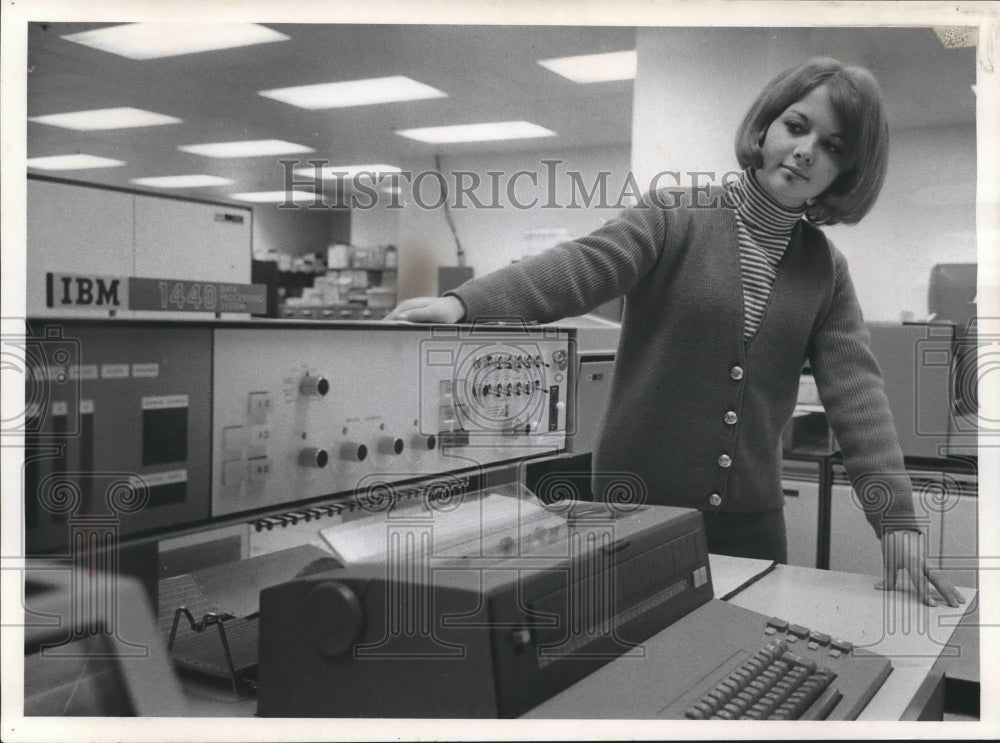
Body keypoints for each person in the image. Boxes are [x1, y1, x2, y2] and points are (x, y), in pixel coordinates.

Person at [385, 58, 964, 608]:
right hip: (632, 509)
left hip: (750, 524)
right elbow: (578, 268)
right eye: (797, 126)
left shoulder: (826, 270)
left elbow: (858, 396)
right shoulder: (673, 217)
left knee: (747, 677)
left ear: (847, 172)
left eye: (833, 147)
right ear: (767, 127)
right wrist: (465, 305)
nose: (806, 151)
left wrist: (897, 521)